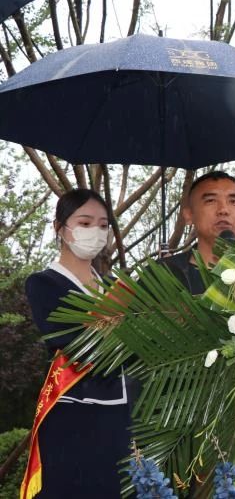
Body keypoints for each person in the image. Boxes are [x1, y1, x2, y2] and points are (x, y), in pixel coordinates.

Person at [22, 188, 133, 499]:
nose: (95, 231)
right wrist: (119, 321)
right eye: (85, 223)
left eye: (103, 225)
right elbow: (67, 339)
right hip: (72, 417)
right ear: (60, 228)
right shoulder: (44, 283)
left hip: (123, 418)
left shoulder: (114, 285)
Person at [162, 170, 235, 294]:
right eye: (211, 200)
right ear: (189, 215)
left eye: (234, 201)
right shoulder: (163, 274)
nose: (223, 210)